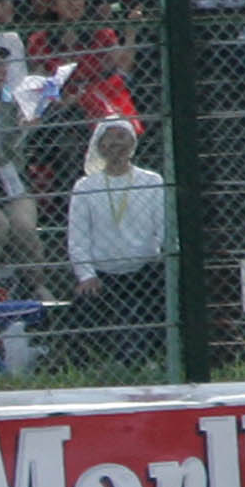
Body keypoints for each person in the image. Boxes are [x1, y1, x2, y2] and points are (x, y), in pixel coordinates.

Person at [64, 117, 170, 369]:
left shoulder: (152, 181)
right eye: (109, 137)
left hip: (144, 270)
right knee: (86, 305)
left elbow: (164, 227)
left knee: (153, 299)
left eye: (122, 136)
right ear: (99, 145)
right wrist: (85, 274)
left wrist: (164, 260)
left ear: (132, 143)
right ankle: (102, 363)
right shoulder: (85, 186)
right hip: (103, 274)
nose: (115, 143)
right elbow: (78, 236)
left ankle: (142, 360)